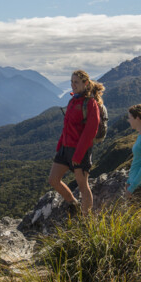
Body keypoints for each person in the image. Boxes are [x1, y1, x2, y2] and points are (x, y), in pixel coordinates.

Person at [48, 69, 105, 216]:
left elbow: (89, 132)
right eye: (71, 82)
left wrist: (78, 155)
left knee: (83, 186)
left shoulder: (90, 103)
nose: (73, 85)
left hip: (80, 150)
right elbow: (67, 125)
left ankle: (86, 220)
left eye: (76, 82)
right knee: (53, 179)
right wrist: (60, 144)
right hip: (65, 148)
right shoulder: (73, 100)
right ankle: (73, 204)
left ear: (85, 83)